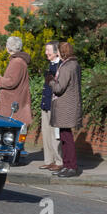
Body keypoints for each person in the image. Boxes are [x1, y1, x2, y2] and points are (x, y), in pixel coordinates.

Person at [46, 42, 82, 178]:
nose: (58, 53)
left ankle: (71, 166)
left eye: (59, 50)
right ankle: (67, 166)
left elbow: (59, 88)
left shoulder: (67, 66)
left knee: (66, 138)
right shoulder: (74, 64)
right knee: (64, 136)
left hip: (66, 107)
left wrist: (50, 80)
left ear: (63, 52)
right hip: (69, 106)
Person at [0, 36, 32, 127]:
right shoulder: (18, 61)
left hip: (13, 105)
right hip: (14, 103)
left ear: (8, 47)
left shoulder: (17, 62)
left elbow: (11, 82)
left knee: (10, 132)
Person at [39, 41, 63, 171]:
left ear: (56, 51)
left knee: (55, 135)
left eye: (48, 50)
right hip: (46, 104)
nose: (46, 53)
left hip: (55, 105)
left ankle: (59, 161)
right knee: (46, 134)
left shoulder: (60, 65)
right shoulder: (50, 65)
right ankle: (49, 160)